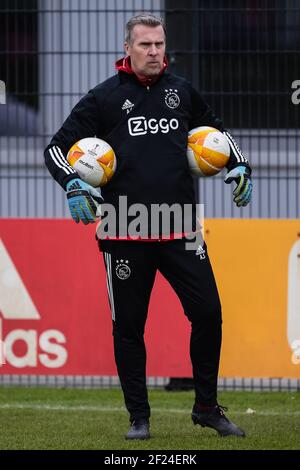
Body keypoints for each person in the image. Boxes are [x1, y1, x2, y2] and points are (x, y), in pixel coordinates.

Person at [44, 13, 253, 440]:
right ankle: (139, 418)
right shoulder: (103, 98)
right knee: (129, 327)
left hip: (180, 228)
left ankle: (207, 408)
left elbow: (219, 134)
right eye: (146, 45)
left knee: (209, 315)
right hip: (124, 228)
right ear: (128, 49)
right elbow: (55, 148)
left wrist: (239, 166)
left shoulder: (182, 91)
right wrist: (71, 183)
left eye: (159, 44)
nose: (155, 52)